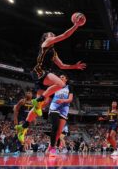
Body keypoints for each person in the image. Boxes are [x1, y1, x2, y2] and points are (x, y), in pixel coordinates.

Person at [15, 16, 86, 144]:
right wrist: (76, 25)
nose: (52, 35)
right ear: (46, 38)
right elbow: (64, 35)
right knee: (61, 83)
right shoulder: (46, 43)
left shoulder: (53, 52)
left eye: (53, 34)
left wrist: (74, 66)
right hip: (40, 71)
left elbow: (62, 65)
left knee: (40, 108)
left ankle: (23, 127)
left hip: (40, 77)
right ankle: (39, 100)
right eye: (50, 34)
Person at [47, 74, 73, 157]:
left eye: (63, 77)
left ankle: (51, 147)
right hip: (55, 105)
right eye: (60, 77)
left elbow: (70, 99)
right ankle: (53, 149)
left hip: (64, 108)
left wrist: (63, 100)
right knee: (55, 126)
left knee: (59, 132)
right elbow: (49, 97)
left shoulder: (69, 87)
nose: (61, 78)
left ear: (66, 79)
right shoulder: (55, 86)